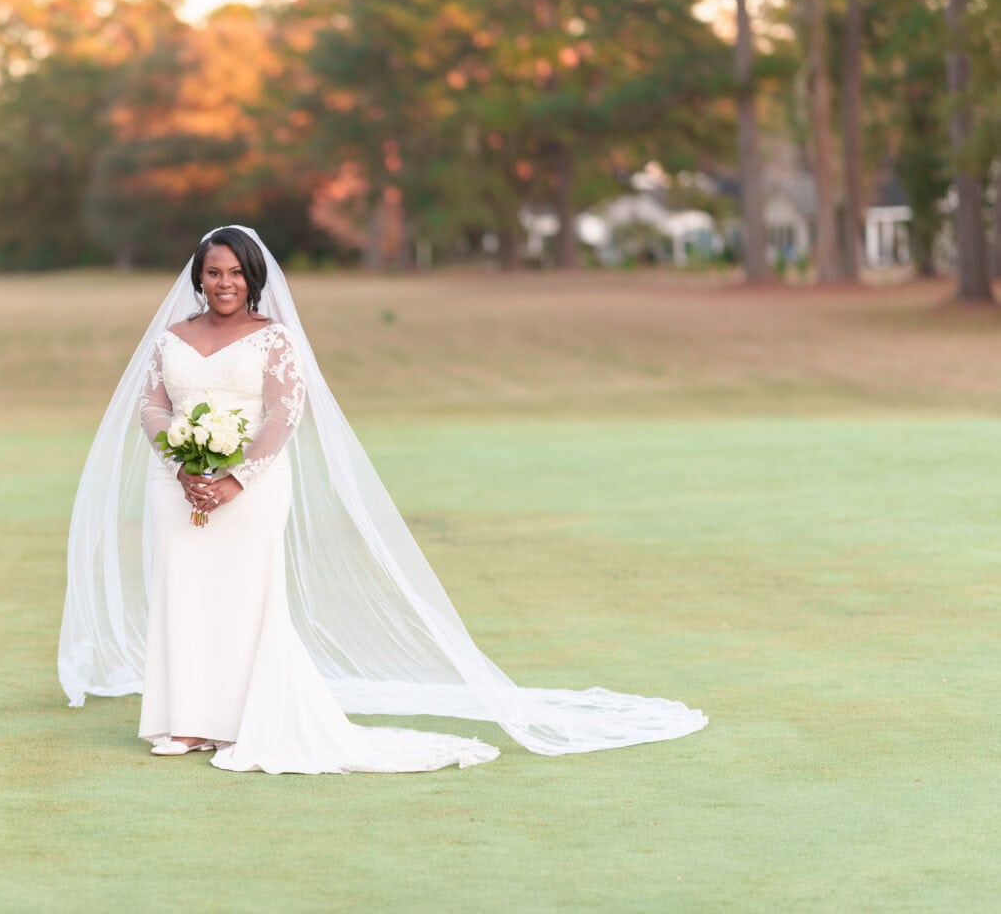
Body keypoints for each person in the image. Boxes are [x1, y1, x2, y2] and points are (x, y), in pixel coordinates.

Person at [61, 225, 707, 774]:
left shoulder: (274, 338)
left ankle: (241, 716)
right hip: (178, 485)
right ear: (198, 278)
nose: (223, 282)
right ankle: (188, 719)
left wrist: (234, 478)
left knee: (245, 593)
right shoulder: (172, 336)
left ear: (252, 277)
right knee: (184, 587)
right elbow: (152, 403)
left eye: (234, 272)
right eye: (213, 273)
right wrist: (180, 462)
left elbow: (286, 413)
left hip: (251, 486)